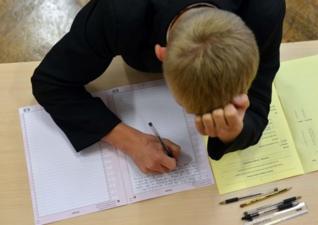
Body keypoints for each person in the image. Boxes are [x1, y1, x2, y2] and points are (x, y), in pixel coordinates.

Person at [31, 0, 286, 174]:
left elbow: (258, 101)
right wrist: (128, 140)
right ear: (161, 54)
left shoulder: (264, 10)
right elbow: (50, 82)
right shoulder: (119, 12)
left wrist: (234, 131)